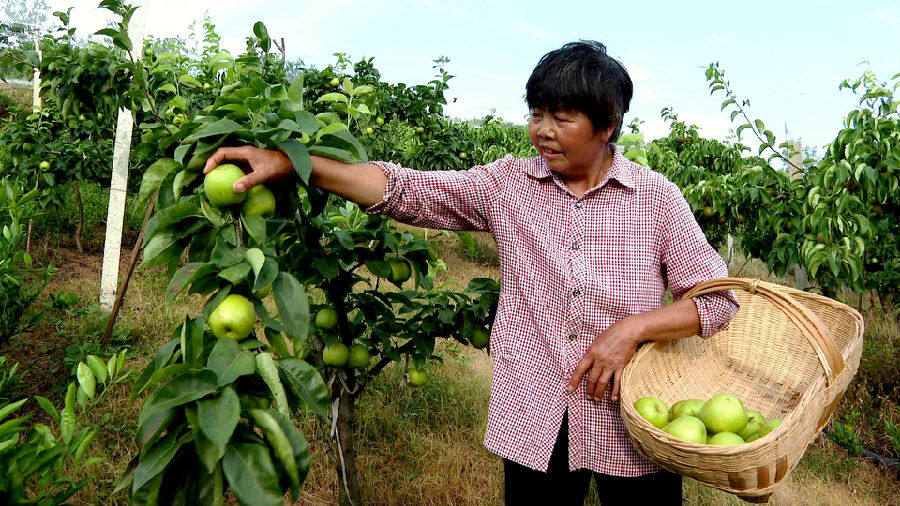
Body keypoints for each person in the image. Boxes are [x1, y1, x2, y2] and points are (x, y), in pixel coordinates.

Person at [203, 40, 738, 506]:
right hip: (537, 412)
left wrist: (633, 330)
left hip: (632, 417)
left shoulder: (656, 198)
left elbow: (717, 302)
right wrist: (294, 163)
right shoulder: (509, 185)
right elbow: (406, 190)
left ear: (608, 125)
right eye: (536, 114)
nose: (542, 132)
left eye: (562, 118)